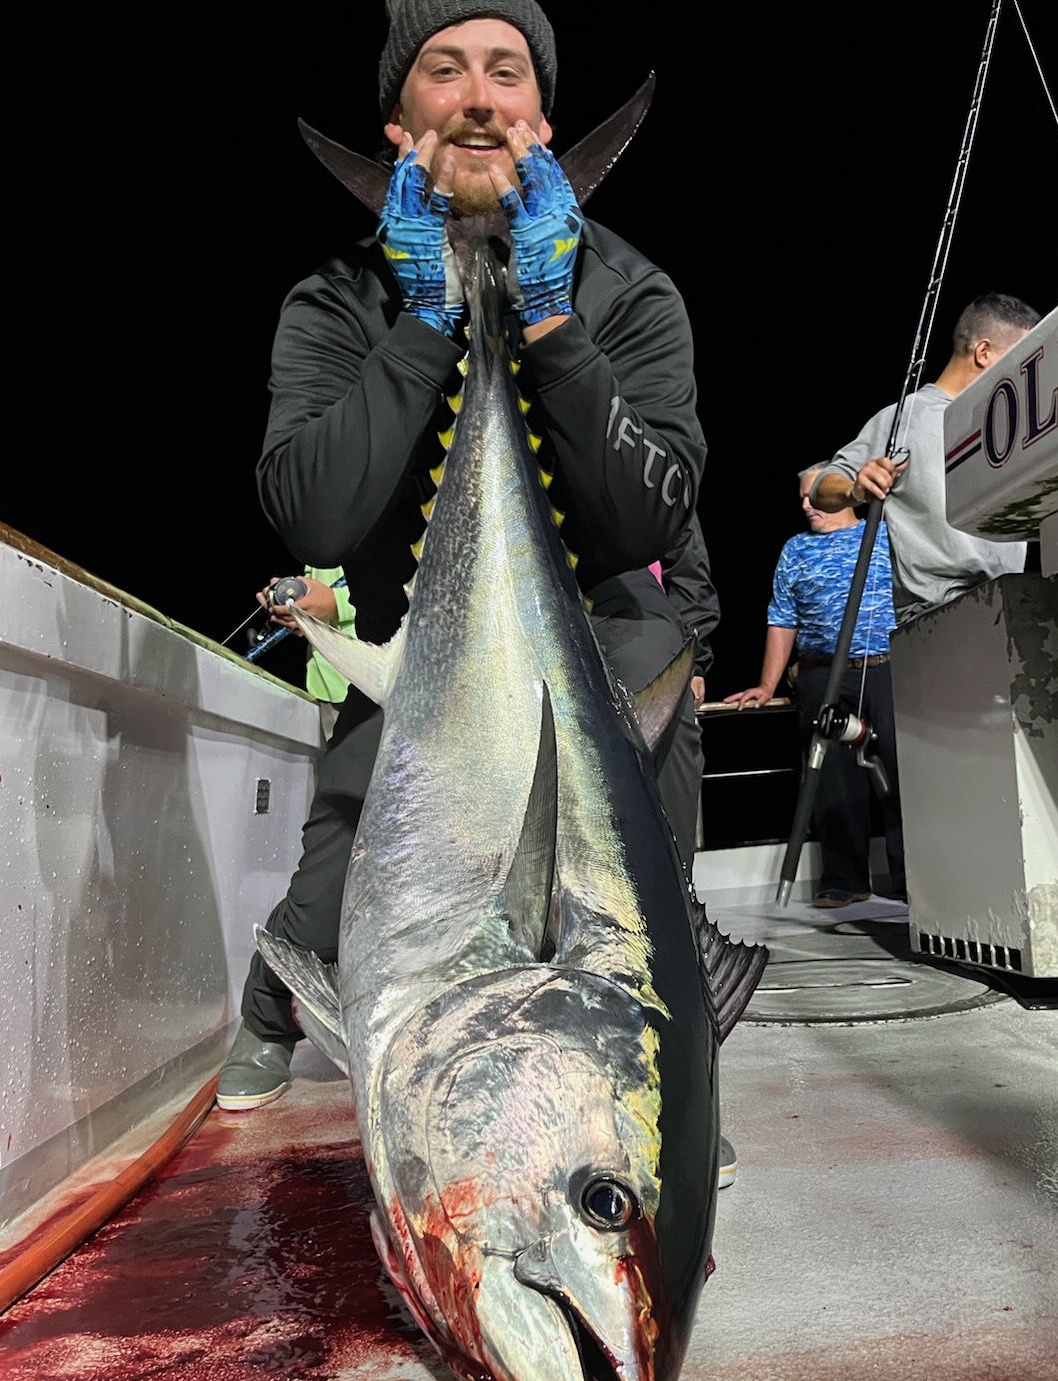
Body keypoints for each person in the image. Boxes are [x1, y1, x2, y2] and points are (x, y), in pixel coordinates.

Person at [218, 2, 722, 1143]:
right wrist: (424, 322)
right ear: (398, 125)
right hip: (420, 636)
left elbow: (649, 513)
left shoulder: (628, 291)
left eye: (507, 74)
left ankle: (666, 1053)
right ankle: (271, 1005)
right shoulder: (337, 298)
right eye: (445, 73)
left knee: (655, 700)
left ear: (542, 118)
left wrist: (551, 321)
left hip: (599, 630)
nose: (481, 100)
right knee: (345, 854)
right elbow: (313, 512)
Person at [726, 465, 904, 908]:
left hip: (889, 667)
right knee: (832, 777)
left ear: (843, 493)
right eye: (802, 498)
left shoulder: (885, 534)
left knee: (901, 769)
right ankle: (845, 879)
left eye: (815, 495)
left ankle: (910, 877)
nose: (806, 505)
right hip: (823, 675)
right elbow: (782, 617)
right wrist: (767, 684)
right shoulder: (796, 549)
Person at [810, 293, 1040, 622]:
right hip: (936, 614)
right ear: (983, 353)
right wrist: (853, 489)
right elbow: (821, 487)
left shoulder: (1009, 423)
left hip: (1010, 603)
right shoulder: (905, 417)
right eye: (1020, 356)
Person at [259, 568, 358, 738]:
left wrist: (339, 602)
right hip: (325, 685)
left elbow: (404, 584)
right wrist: (295, 596)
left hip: (377, 683)